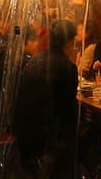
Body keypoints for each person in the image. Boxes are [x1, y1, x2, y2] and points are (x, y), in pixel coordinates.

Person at [15, 20, 78, 178]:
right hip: (46, 138)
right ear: (69, 43)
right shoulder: (67, 67)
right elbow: (69, 111)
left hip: (24, 133)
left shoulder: (35, 60)